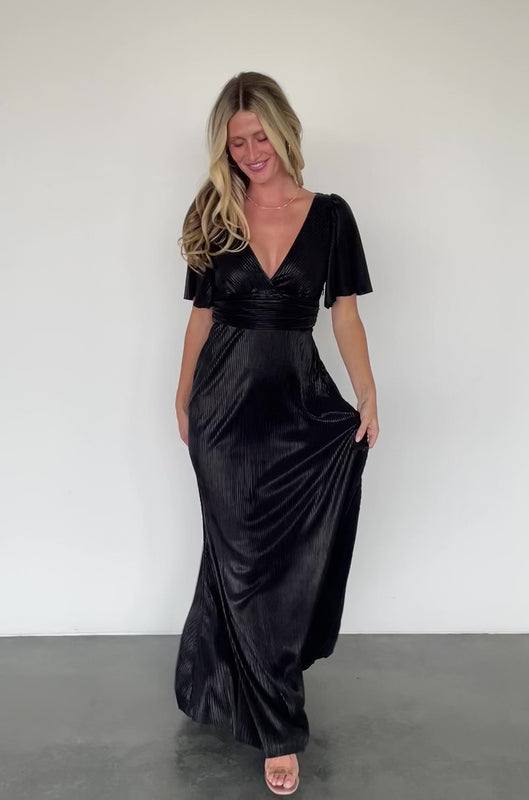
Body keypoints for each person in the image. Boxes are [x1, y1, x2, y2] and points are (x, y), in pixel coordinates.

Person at [174, 71, 379, 796]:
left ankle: (210, 679)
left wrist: (366, 392)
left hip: (299, 405)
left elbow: (344, 312)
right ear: (223, 149)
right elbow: (201, 314)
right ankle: (279, 730)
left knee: (282, 565)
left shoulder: (331, 216)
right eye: (237, 142)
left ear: (284, 132)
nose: (251, 152)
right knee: (238, 559)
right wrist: (182, 395)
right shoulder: (214, 211)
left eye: (260, 136)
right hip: (223, 411)